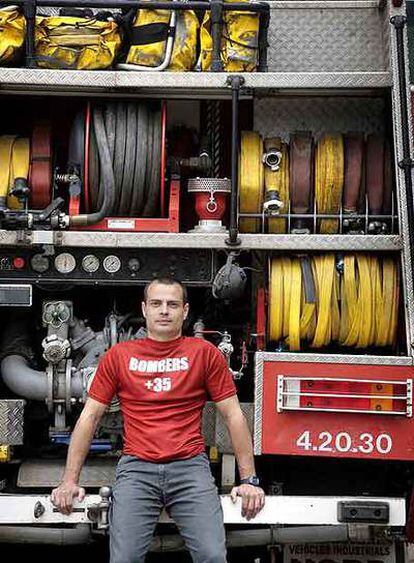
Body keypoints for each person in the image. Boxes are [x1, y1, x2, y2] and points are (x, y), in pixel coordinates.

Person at [51, 277, 265, 563]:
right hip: (137, 470)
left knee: (213, 555)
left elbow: (233, 415)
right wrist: (68, 480)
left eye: (172, 304)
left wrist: (249, 479)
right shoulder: (118, 356)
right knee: (124, 558)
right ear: (145, 309)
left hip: (190, 469)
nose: (164, 310)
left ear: (185, 311)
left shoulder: (204, 354)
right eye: (157, 304)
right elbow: (90, 417)